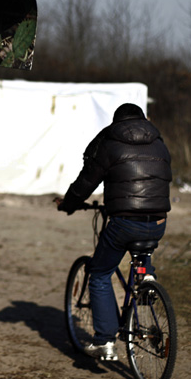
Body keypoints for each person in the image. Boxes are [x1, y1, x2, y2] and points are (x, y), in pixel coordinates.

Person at [55, 103, 172, 361]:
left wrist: (69, 204)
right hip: (158, 222)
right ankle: (147, 280)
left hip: (125, 221)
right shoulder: (159, 143)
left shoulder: (109, 144)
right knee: (141, 246)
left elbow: (87, 181)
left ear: (117, 122)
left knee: (98, 273)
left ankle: (105, 340)